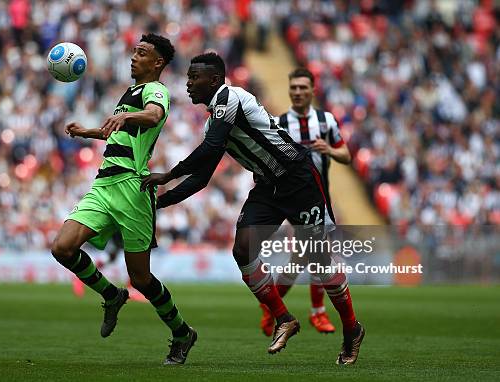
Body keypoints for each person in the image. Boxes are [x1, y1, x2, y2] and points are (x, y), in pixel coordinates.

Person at [142, 52, 364, 364]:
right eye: (188, 78)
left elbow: (210, 150)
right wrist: (160, 202)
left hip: (298, 179)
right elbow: (202, 179)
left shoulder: (231, 97)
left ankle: (352, 329)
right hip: (268, 188)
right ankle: (284, 318)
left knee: (319, 261)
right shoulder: (212, 124)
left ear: (215, 80)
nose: (188, 84)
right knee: (243, 250)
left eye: (195, 78)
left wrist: (167, 174)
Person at [50, 33, 197, 365]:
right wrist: (89, 132)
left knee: (141, 279)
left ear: (157, 63)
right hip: (104, 186)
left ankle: (182, 332)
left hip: (133, 189)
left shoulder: (154, 91)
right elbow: (117, 131)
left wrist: (126, 116)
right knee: (62, 247)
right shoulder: (129, 94)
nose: (134, 57)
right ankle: (111, 294)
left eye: (142, 53)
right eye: (134, 51)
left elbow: (154, 115)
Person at [258, 67, 353, 337]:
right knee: (317, 255)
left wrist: (330, 150)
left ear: (313, 90)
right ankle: (316, 311)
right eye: (294, 88)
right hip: (289, 199)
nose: (297, 92)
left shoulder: (326, 121)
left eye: (303, 87)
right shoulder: (279, 123)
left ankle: (272, 308)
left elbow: (347, 155)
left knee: (301, 258)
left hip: (319, 196)